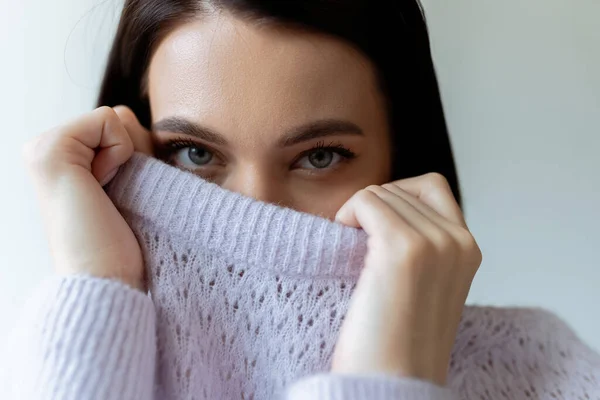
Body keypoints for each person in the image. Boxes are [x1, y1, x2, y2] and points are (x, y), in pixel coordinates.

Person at [7, 0, 599, 399]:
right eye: (194, 153)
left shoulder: (548, 373)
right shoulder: (51, 358)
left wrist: (390, 372)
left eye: (319, 157)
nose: (258, 213)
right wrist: (98, 285)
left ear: (401, 160)